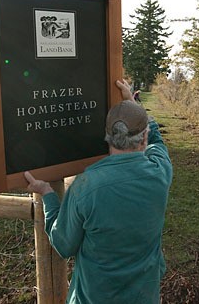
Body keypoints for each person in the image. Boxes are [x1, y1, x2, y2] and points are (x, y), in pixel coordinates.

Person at [24, 79, 172, 304]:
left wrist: (48, 194)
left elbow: (64, 244)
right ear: (143, 137)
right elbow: (157, 139)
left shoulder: (85, 186)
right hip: (145, 295)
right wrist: (131, 101)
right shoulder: (160, 171)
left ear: (107, 136)